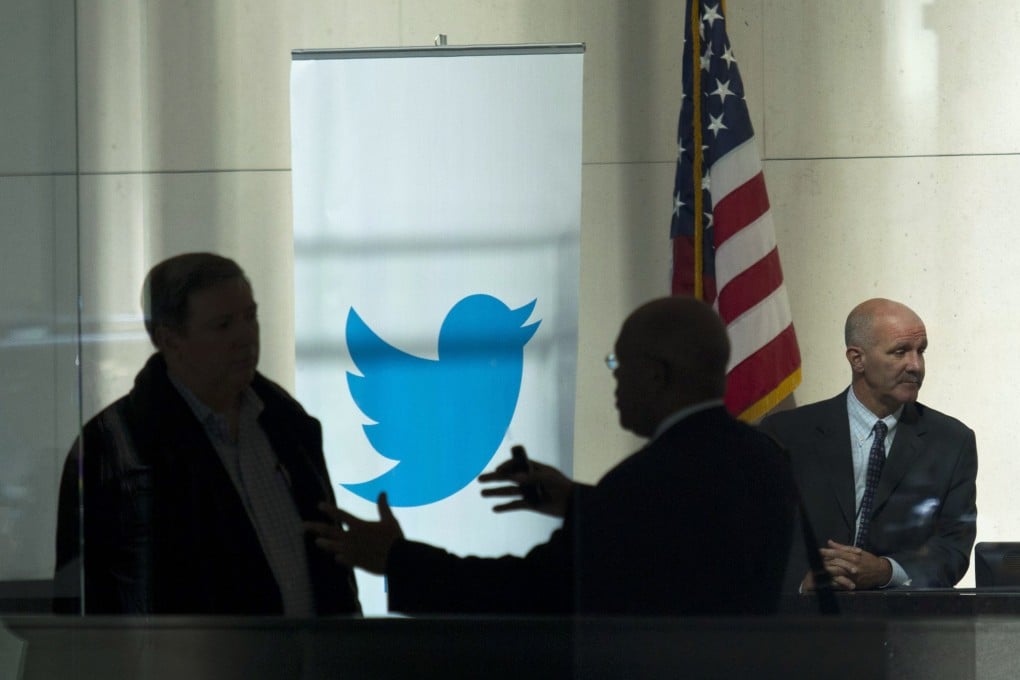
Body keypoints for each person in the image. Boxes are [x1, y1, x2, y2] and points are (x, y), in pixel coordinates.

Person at [306, 296, 798, 616]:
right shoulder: (767, 459)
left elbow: (526, 593)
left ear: (654, 375)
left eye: (618, 363)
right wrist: (580, 503)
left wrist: (398, 559)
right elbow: (681, 540)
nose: (614, 380)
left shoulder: (639, 486)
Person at [54, 253, 361, 616]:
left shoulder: (288, 423)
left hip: (310, 665)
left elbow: (331, 571)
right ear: (170, 340)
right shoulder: (114, 447)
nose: (246, 337)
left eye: (251, 317)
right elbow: (87, 605)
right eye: (223, 325)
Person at [760, 298, 977, 592]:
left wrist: (887, 571)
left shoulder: (952, 441)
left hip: (902, 625)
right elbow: (755, 537)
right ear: (857, 359)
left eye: (920, 351)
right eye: (900, 352)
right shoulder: (786, 433)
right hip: (804, 623)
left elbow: (952, 547)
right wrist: (803, 583)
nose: (915, 365)